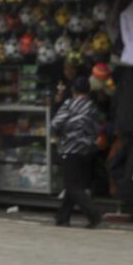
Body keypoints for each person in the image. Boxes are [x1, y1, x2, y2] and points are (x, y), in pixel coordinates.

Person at [51, 75, 103, 228]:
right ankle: (62, 216)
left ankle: (94, 213)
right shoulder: (92, 106)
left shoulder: (69, 104)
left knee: (72, 186)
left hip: (70, 148)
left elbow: (55, 124)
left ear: (73, 89)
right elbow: (96, 128)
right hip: (88, 150)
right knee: (75, 184)